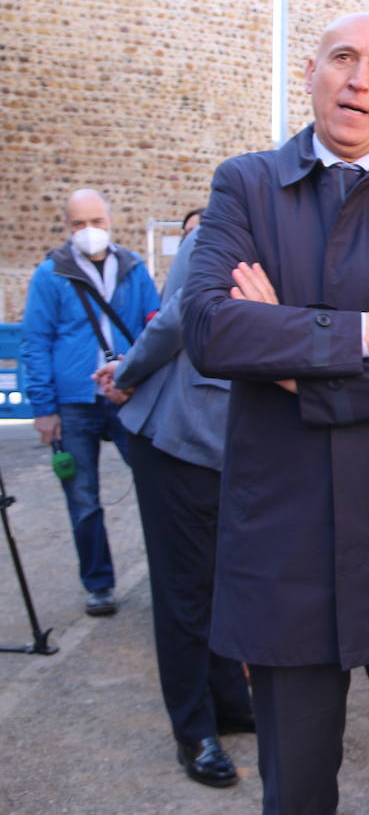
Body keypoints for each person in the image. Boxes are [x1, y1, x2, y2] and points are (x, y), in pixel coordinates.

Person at [182, 13, 369, 813]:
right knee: (296, 793)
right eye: (344, 59)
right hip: (286, 546)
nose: (360, 79)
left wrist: (292, 362)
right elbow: (212, 328)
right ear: (311, 72)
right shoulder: (245, 184)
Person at [94, 224, 253, 789]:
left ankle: (231, 703)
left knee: (222, 582)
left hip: (237, 444)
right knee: (184, 591)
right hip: (180, 439)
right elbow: (178, 320)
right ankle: (194, 730)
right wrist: (128, 373)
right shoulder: (218, 233)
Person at [19, 188, 160, 616]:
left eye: (95, 222)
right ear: (67, 227)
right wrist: (43, 408)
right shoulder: (51, 274)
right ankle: (98, 584)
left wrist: (138, 380)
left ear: (110, 221)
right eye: (78, 224)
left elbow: (154, 327)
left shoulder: (133, 269)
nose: (89, 232)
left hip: (127, 396)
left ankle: (171, 580)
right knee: (83, 500)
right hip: (74, 402)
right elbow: (36, 341)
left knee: (159, 491)